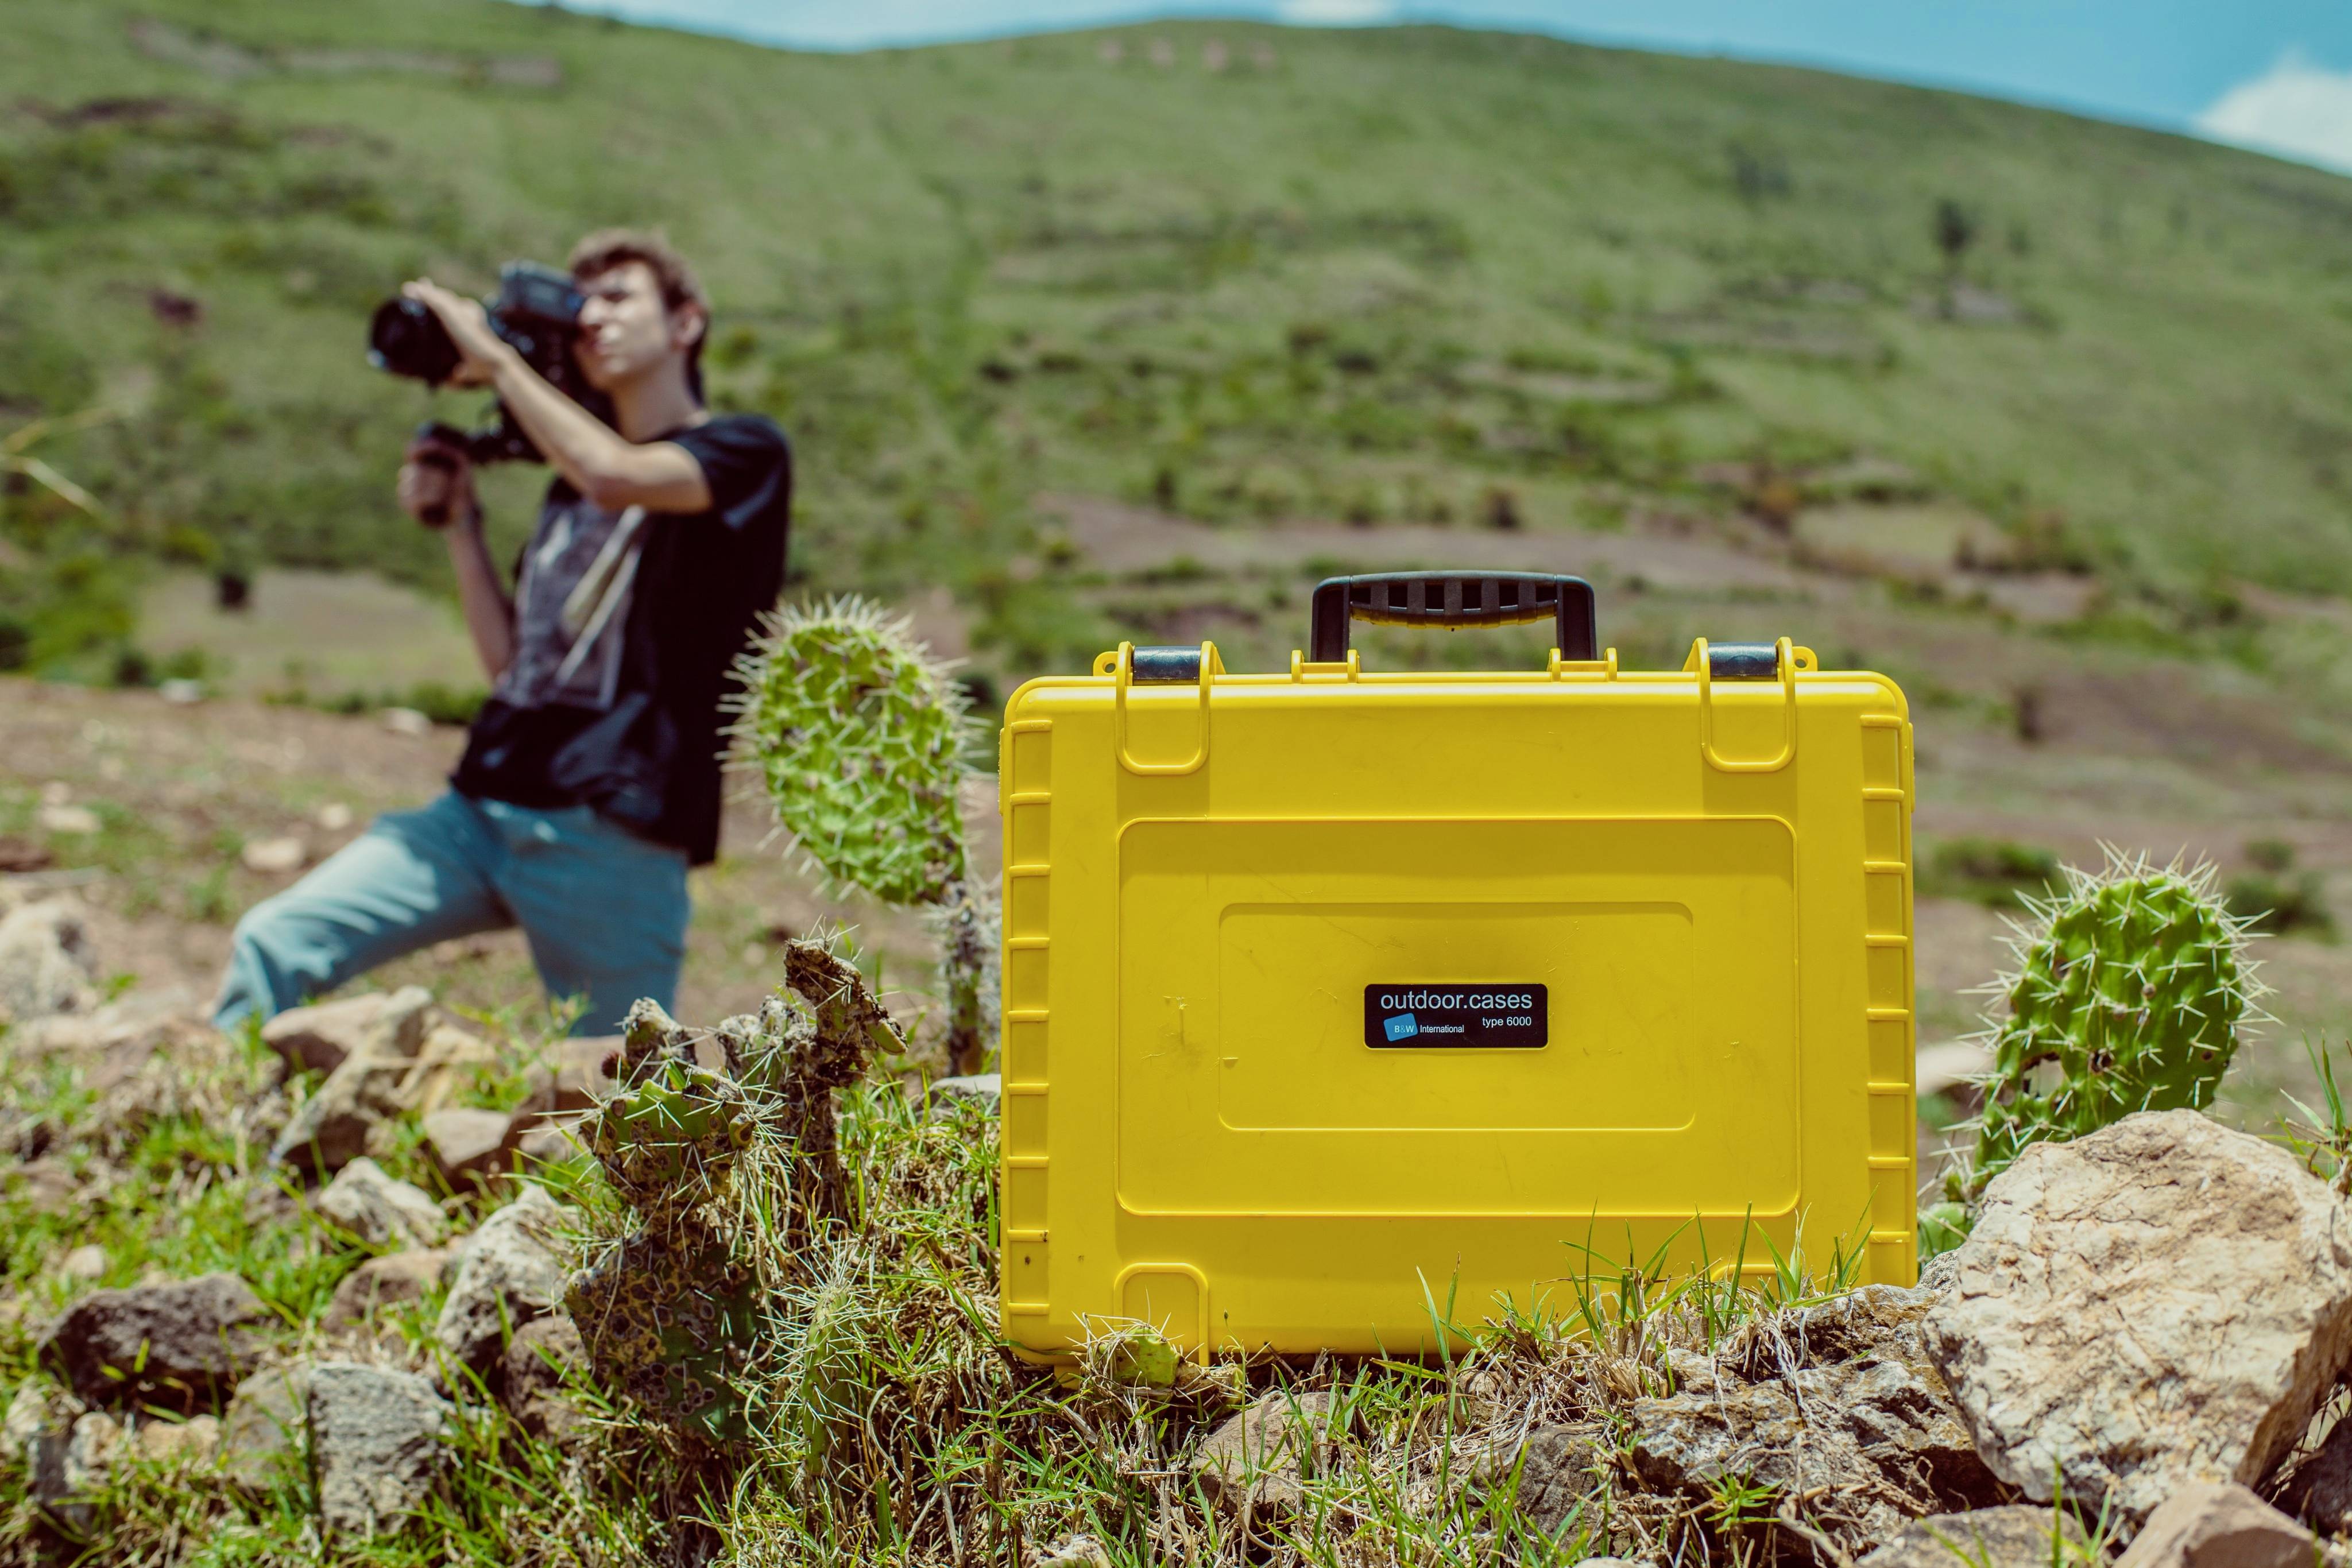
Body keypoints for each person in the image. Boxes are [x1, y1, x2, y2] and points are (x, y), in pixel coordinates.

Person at [213, 230, 790, 1036]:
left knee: (620, 1079)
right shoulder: (568, 489)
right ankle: (224, 1112)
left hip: (613, 838)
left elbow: (615, 474)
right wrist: (462, 527)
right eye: (582, 303)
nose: (593, 317)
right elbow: (512, 664)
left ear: (686, 322)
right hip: (482, 809)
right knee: (274, 942)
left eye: (618, 297)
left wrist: (496, 363)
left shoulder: (742, 453)